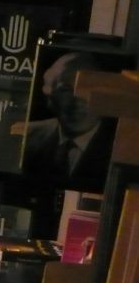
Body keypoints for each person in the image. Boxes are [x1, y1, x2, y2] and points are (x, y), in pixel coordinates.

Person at [22, 51, 115, 192]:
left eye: (87, 90)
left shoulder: (123, 146)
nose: (77, 102)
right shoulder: (26, 136)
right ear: (50, 98)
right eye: (66, 91)